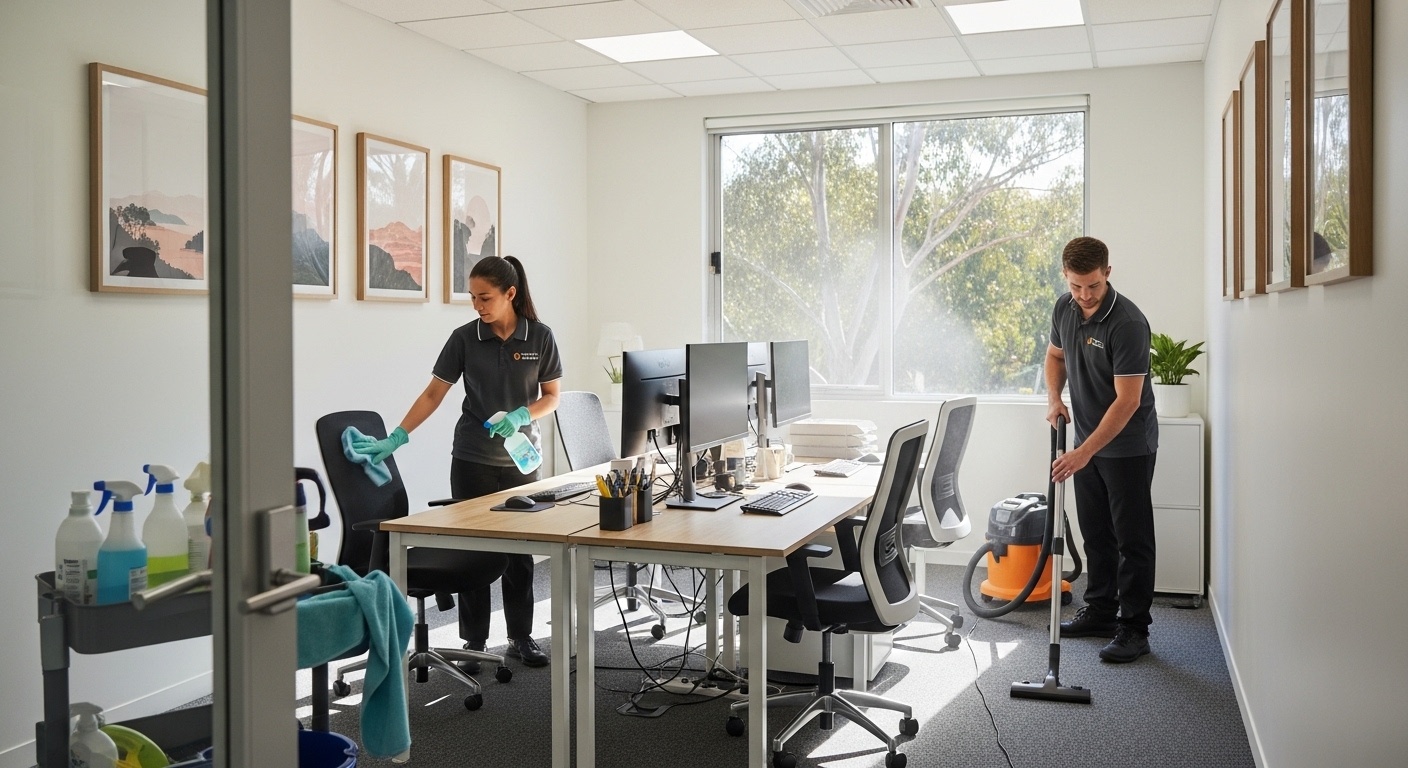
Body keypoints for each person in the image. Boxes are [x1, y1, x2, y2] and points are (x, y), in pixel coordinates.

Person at [351, 255, 561, 669]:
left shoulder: (540, 337)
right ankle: (475, 642)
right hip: (472, 459)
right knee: (476, 550)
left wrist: (522, 414)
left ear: (510, 294)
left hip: (521, 462)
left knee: (519, 554)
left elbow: (552, 397)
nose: (478, 305)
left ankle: (521, 636)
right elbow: (433, 394)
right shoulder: (464, 338)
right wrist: (397, 436)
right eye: (473, 298)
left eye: (485, 297)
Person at [1044, 236, 1159, 663]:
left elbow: (1127, 401)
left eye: (1092, 285)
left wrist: (1083, 453)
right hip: (1086, 442)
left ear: (1107, 273)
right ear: (1066, 277)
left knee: (1132, 538)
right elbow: (1055, 358)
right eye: (1076, 286)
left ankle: (1134, 629)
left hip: (1127, 445)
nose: (1084, 295)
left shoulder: (1127, 323)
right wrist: (1054, 399)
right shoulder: (1064, 308)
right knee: (1096, 531)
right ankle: (1101, 610)